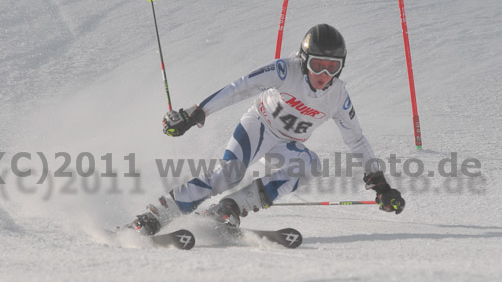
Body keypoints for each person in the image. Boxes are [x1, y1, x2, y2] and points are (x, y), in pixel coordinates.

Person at [131, 24, 405, 234]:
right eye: (317, 65)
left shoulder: (338, 96)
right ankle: (155, 217)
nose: (324, 75)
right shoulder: (286, 70)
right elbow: (241, 87)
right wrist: (197, 113)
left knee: (310, 165)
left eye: (332, 67)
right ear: (304, 59)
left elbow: (356, 140)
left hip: (288, 144)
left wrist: (380, 184)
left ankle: (229, 209)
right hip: (259, 127)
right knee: (228, 175)